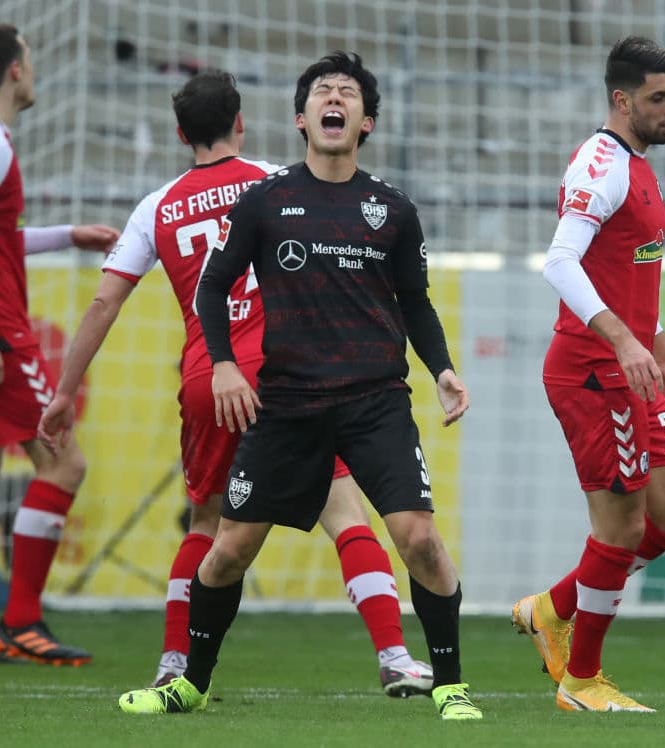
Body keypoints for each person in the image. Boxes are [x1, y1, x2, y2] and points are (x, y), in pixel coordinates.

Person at [37, 70, 433, 697]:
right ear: (241, 123)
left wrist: (63, 394)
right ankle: (394, 655)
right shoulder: (275, 182)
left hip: (208, 377)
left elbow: (103, 305)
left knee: (206, 524)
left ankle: (174, 664)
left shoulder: (157, 206)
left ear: (178, 133)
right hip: (286, 373)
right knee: (343, 508)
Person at [114, 52, 482, 720]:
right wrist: (224, 362)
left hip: (375, 404)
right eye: (321, 92)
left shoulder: (391, 208)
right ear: (300, 117)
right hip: (286, 405)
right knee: (227, 551)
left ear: (365, 121)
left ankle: (451, 686)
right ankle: (189, 683)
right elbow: (212, 286)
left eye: (346, 93)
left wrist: (444, 368)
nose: (333, 99)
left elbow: (416, 303)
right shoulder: (265, 199)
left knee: (421, 541)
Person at [510, 36, 665, 712]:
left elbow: (629, 273)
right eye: (659, 98)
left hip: (633, 366)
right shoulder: (602, 163)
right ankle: (581, 681)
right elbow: (560, 262)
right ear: (621, 101)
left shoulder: (640, 163)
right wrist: (623, 342)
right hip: (592, 372)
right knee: (618, 530)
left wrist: (663, 354)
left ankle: (550, 608)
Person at [0, 24, 119, 665]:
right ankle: (21, 622)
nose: (33, 72)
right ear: (14, 71)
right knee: (65, 462)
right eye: (30, 61)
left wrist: (68, 235)